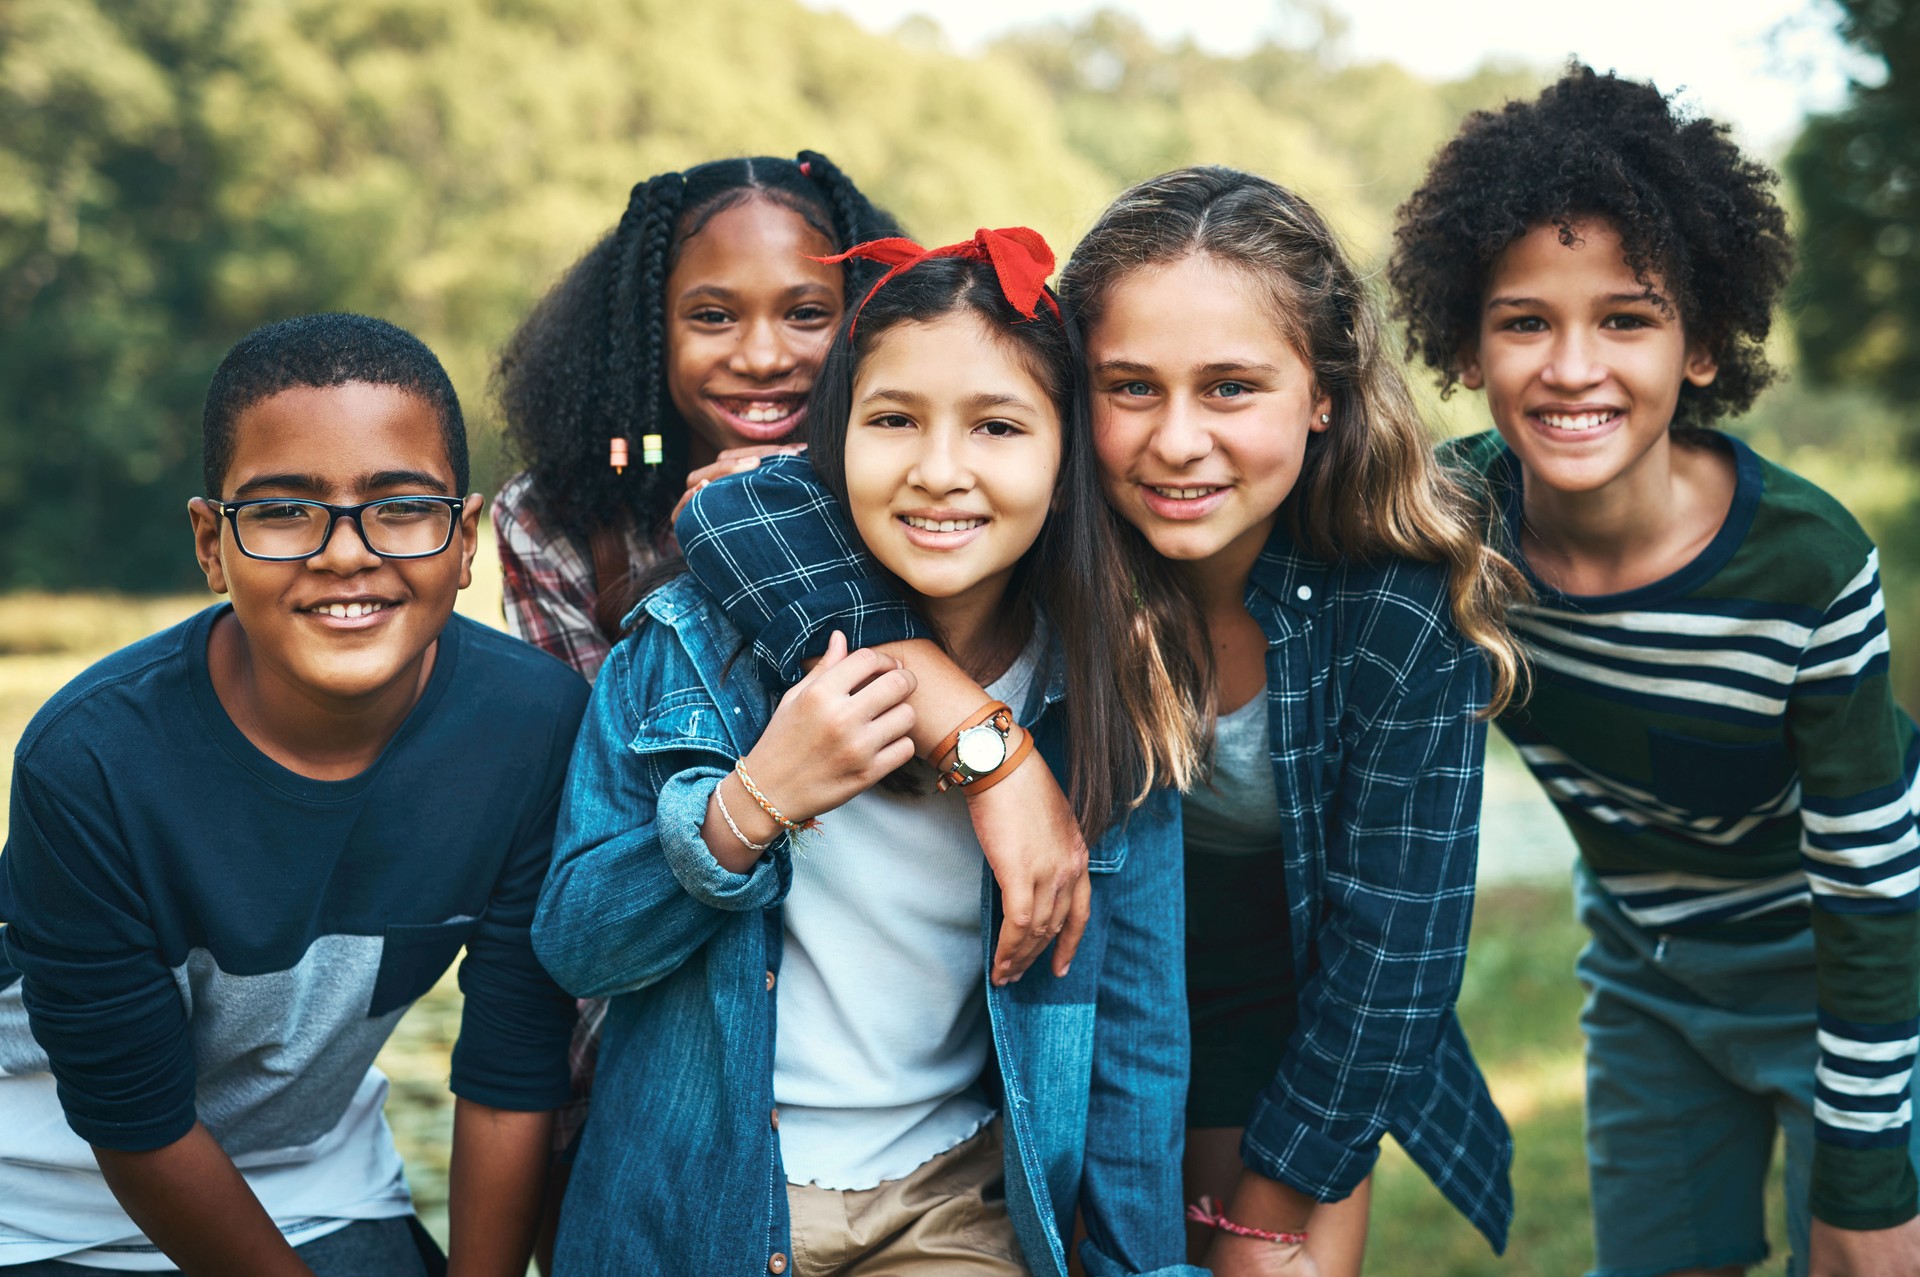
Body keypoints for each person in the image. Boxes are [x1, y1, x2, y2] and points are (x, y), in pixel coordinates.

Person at [676, 168, 1531, 1275]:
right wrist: (980, 735)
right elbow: (735, 506)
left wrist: (1273, 1204)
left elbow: (1395, 953)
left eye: (1231, 388)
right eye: (1131, 387)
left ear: (1322, 393)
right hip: (1058, 1000)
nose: (1177, 441)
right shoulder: (1045, 535)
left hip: (1303, 1022)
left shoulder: (1393, 604)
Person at [533, 230, 1209, 1276]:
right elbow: (579, 945)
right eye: (893, 420)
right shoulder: (690, 646)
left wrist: (1142, 1265)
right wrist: (754, 802)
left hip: (947, 1205)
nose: (939, 473)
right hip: (697, 1206)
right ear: (833, 440)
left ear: (1067, 457)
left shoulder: (1103, 698)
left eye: (997, 426)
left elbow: (1136, 1037)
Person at [1389, 64, 1920, 1277]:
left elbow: (1873, 886)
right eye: (1526, 321)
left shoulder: (1807, 566)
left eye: (1627, 319)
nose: (1574, 366)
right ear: (1466, 344)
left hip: (1855, 977)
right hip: (1647, 970)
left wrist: (1867, 1180)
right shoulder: (1446, 529)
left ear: (1703, 345)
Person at [0, 314, 585, 1275]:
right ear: (210, 543)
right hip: (39, 1202)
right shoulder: (91, 760)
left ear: (465, 537)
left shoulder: (535, 728)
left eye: (402, 506)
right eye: (282, 511)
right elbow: (137, 1126)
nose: (345, 553)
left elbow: (509, 1069)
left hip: (315, 1181)